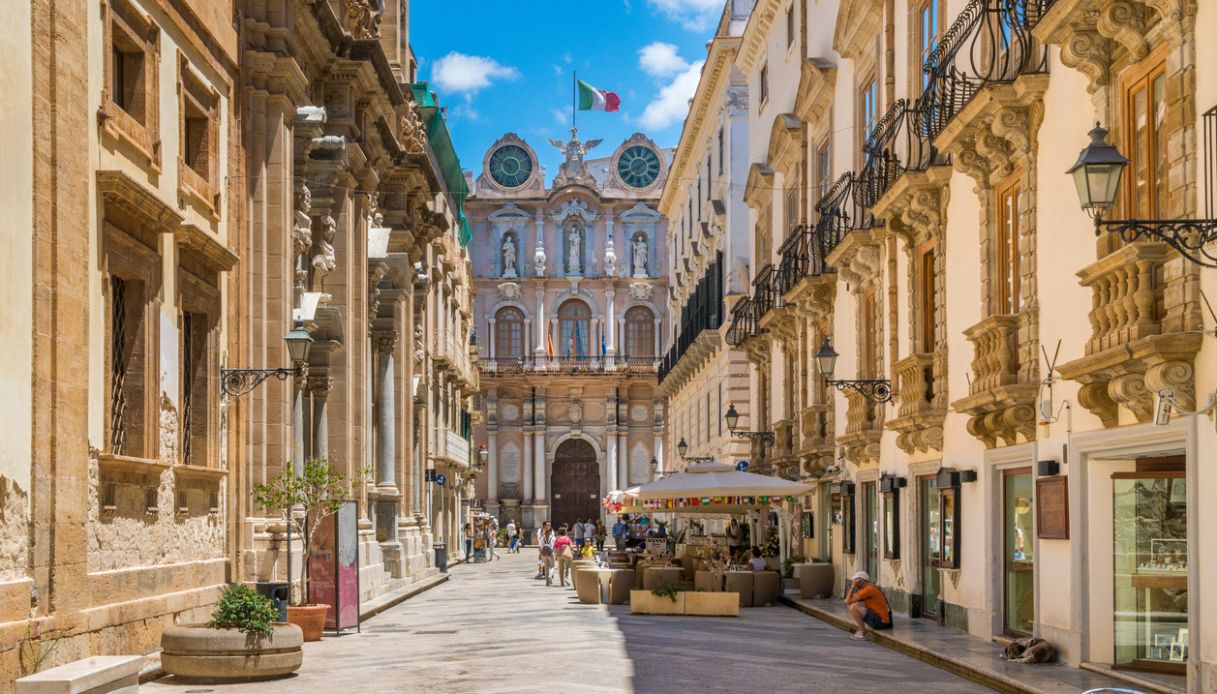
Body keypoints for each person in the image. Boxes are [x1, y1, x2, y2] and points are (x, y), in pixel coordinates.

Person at [844, 571, 892, 639]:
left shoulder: (868, 589)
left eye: (856, 579)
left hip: (882, 622)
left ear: (861, 580)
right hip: (880, 619)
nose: (854, 581)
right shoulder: (867, 587)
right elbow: (847, 601)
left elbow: (847, 601)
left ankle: (863, 633)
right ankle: (864, 628)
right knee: (853, 605)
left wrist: (853, 587)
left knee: (853, 607)